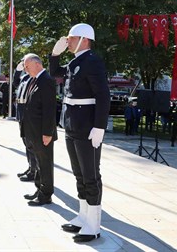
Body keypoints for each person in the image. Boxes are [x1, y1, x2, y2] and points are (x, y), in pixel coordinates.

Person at [49, 23, 110, 243]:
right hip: (72, 125)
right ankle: (83, 216)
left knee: (91, 175)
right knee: (79, 174)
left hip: (87, 126)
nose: (68, 42)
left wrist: (100, 126)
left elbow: (103, 96)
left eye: (71, 38)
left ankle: (93, 225)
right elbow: (55, 72)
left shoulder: (92, 61)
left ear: (84, 39)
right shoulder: (77, 61)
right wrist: (54, 55)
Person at [20, 53, 58, 206]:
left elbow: (49, 109)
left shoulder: (46, 81)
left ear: (37, 64)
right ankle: (39, 189)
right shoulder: (35, 80)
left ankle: (46, 194)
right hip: (33, 131)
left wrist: (48, 133)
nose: (25, 69)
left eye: (27, 66)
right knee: (38, 162)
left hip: (43, 132)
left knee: (45, 163)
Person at [13, 59, 36, 182]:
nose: (25, 67)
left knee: (31, 144)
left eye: (26, 64)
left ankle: (34, 170)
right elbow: (15, 82)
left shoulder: (35, 77)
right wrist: (17, 70)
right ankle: (30, 167)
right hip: (21, 115)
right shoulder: (25, 78)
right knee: (26, 144)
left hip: (29, 115)